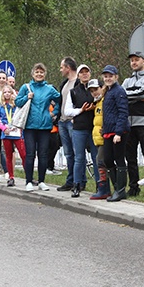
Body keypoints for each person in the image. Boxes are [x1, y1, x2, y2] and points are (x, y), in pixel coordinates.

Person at [15, 63, 60, 192]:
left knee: (43, 154)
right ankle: (29, 181)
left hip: (45, 126)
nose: (39, 74)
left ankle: (41, 181)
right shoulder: (26, 87)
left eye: (41, 72)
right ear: (32, 74)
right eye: (37, 72)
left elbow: (59, 100)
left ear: (45, 74)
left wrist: (54, 112)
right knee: (30, 154)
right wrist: (26, 97)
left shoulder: (50, 89)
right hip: (29, 125)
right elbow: (17, 102)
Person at [123, 50, 144, 197]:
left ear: (143, 61)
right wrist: (135, 95)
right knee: (130, 157)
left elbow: (143, 93)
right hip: (128, 123)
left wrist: (130, 95)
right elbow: (121, 96)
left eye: (137, 60)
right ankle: (134, 187)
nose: (134, 62)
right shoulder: (126, 81)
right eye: (132, 60)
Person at [100, 65, 130, 201]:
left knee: (118, 158)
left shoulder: (119, 91)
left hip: (118, 132)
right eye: (105, 76)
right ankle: (117, 186)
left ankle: (121, 189)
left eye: (110, 76)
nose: (108, 78)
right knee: (107, 159)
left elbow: (123, 112)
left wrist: (118, 132)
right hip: (108, 131)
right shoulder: (107, 92)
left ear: (116, 77)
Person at [66, 64, 97, 197]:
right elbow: (67, 111)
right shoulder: (73, 92)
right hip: (79, 128)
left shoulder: (96, 88)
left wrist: (94, 107)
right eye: (82, 72)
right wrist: (81, 110)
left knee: (97, 158)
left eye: (87, 72)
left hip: (94, 128)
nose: (84, 74)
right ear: (78, 75)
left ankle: (100, 185)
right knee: (79, 158)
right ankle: (76, 185)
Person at [0, 85, 27, 187]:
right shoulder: (0, 107)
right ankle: (11, 177)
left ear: (13, 94)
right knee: (9, 155)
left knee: (23, 154)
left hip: (17, 133)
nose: (7, 94)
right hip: (6, 134)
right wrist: (3, 128)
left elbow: (22, 116)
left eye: (9, 92)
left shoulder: (16, 106)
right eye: (5, 92)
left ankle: (28, 176)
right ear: (3, 95)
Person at [55, 57, 79, 191]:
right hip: (63, 122)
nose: (60, 70)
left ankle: (78, 181)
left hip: (72, 122)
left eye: (61, 67)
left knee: (77, 153)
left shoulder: (78, 83)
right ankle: (70, 180)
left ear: (68, 68)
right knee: (68, 153)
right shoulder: (64, 84)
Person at [88, 79, 112, 200]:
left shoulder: (106, 100)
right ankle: (105, 189)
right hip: (98, 137)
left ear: (102, 87)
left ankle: (104, 189)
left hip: (105, 136)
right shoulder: (97, 103)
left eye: (96, 89)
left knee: (101, 161)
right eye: (92, 91)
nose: (94, 93)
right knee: (101, 161)